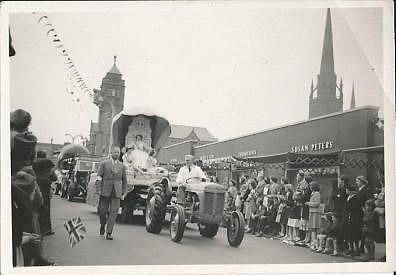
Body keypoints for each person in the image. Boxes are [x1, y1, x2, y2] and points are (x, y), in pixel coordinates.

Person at [96, 146, 127, 240]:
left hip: (116, 192)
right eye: (115, 152)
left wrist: (123, 192)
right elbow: (99, 177)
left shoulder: (122, 166)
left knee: (113, 213)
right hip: (105, 191)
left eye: (118, 153)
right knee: (102, 211)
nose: (117, 154)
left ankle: (109, 232)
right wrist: (98, 189)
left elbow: (124, 180)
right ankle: (102, 224)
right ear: (111, 153)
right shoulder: (104, 163)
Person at [33, 157, 56, 236]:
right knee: (46, 209)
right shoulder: (48, 163)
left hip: (36, 187)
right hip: (45, 188)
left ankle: (36, 228)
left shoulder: (34, 163)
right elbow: (54, 178)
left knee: (36, 209)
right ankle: (46, 229)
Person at [343, 181, 363, 256]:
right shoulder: (348, 197)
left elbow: (357, 209)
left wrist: (352, 215)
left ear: (350, 191)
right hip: (348, 218)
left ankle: (357, 250)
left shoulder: (355, 198)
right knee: (349, 235)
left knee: (355, 235)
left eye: (347, 190)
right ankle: (351, 249)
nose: (346, 191)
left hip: (354, 218)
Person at [356, 175, 373, 254]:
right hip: (358, 212)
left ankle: (363, 247)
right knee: (361, 229)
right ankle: (361, 247)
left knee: (364, 230)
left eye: (357, 181)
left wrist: (365, 209)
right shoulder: (358, 189)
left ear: (362, 182)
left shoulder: (366, 190)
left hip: (364, 212)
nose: (356, 183)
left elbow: (368, 200)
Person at [305, 181, 322, 250]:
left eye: (311, 186)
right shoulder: (313, 193)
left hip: (315, 212)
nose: (310, 187)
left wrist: (308, 203)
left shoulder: (317, 193)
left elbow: (317, 203)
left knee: (315, 229)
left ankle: (316, 244)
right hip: (312, 212)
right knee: (312, 229)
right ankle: (313, 243)